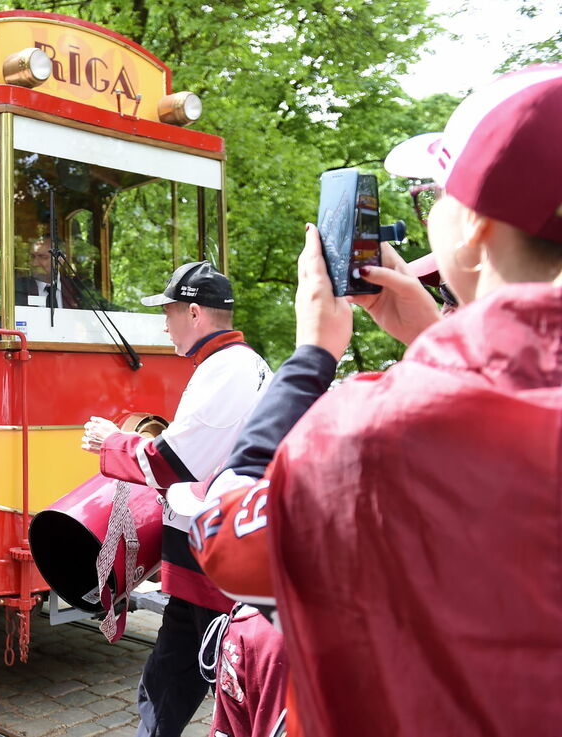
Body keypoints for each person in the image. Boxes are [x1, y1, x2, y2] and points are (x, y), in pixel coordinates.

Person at [189, 65, 562, 736]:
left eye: (433, 197)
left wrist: (310, 358)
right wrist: (441, 336)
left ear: (475, 224)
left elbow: (221, 538)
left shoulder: (370, 433)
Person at [80, 261, 272, 737]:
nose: (164, 323)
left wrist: (111, 440)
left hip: (213, 554)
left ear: (193, 312)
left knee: (222, 680)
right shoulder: (230, 364)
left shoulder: (227, 369)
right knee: (167, 679)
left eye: (167, 312)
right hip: (203, 552)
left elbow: (172, 464)